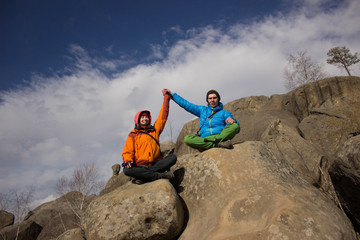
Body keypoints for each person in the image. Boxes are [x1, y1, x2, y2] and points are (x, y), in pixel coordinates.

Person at [122, 89, 177, 184]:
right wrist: (128, 160)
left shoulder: (154, 130)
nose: (144, 118)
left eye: (146, 117)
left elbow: (163, 116)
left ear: (149, 119)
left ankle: (144, 177)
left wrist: (166, 98)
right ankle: (160, 175)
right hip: (140, 166)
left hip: (156, 164)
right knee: (126, 170)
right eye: (142, 117)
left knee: (173, 158)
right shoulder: (133, 134)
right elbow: (128, 151)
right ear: (138, 120)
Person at [164, 89, 240, 151]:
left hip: (218, 136)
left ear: (218, 99)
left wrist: (232, 120)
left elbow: (235, 127)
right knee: (187, 139)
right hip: (206, 138)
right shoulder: (202, 110)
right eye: (210, 98)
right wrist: (172, 95)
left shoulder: (224, 113)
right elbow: (187, 105)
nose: (212, 100)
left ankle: (210, 144)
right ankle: (217, 143)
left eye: (214, 98)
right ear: (207, 100)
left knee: (234, 126)